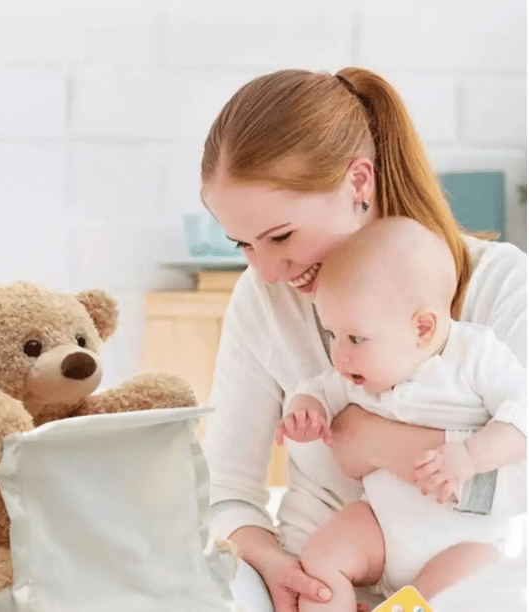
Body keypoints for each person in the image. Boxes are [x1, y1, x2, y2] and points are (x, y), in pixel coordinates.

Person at [200, 67, 527, 612]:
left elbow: (519, 471)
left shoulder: (502, 286)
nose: (269, 271)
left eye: (281, 236)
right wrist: (277, 567)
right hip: (313, 576)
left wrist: (363, 438)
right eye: (243, 245)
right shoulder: (263, 299)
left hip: (458, 583)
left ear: (358, 183)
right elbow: (224, 493)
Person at [275, 215, 526, 611]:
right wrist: (305, 409)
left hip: (460, 543)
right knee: (322, 554)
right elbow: (318, 389)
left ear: (422, 329)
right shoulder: (357, 373)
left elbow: (523, 412)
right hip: (382, 529)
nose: (340, 355)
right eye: (332, 335)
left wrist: (471, 455)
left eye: (355, 338)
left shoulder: (475, 357)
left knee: (477, 570)